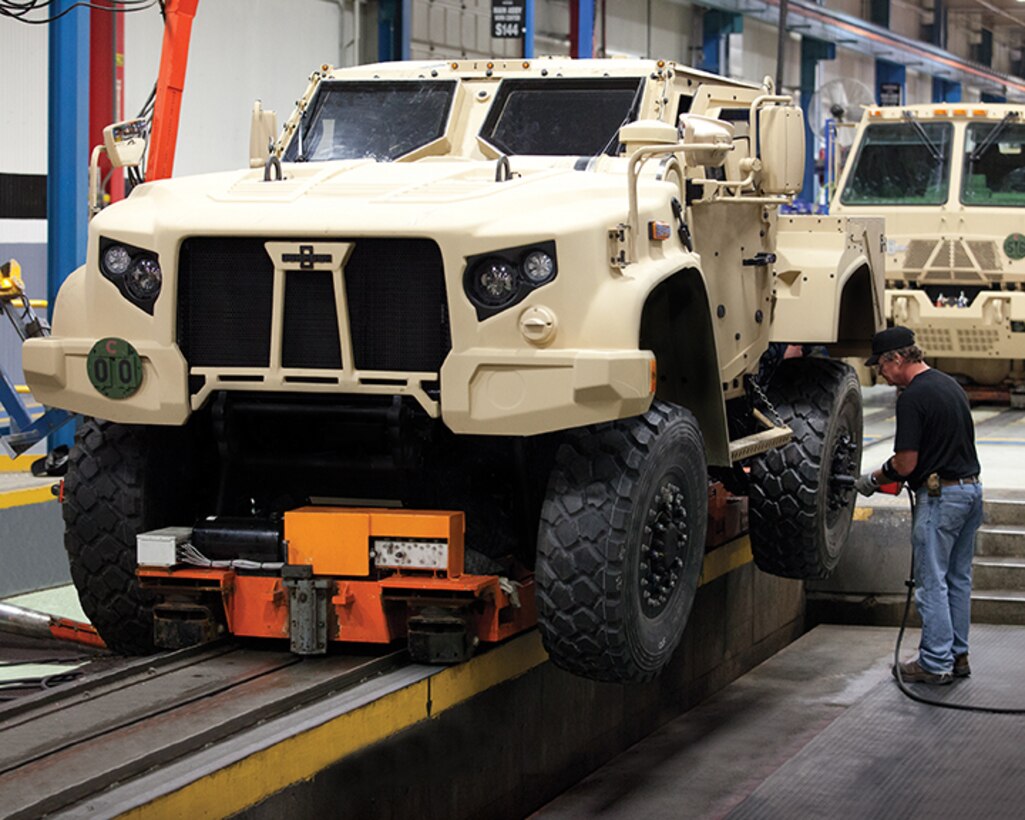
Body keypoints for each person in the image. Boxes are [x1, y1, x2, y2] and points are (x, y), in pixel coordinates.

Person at [854, 326, 983, 685]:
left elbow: (906, 463)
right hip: (971, 491)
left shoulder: (911, 397)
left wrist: (873, 479)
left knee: (931, 582)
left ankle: (935, 662)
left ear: (897, 358)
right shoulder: (949, 384)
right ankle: (957, 656)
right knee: (957, 579)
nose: (881, 373)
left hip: (941, 500)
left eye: (881, 365)